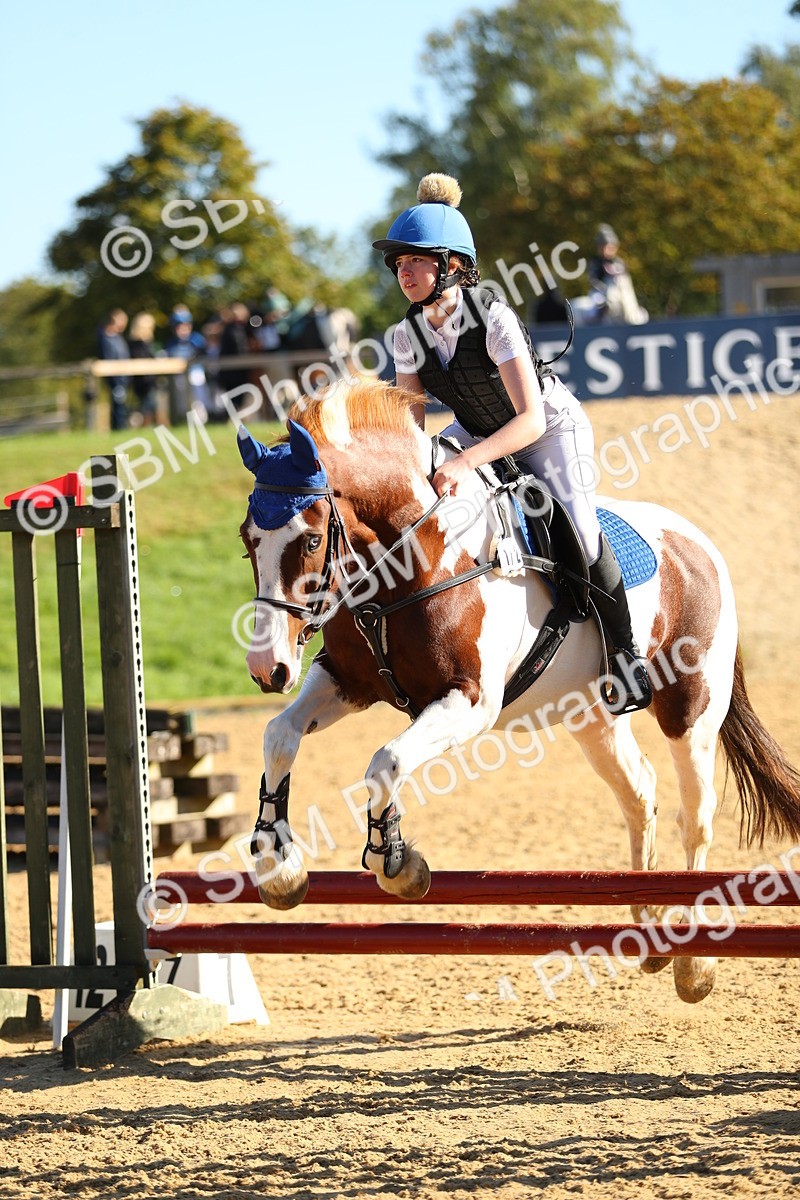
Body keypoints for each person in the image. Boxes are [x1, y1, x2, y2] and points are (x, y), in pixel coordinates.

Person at [373, 173, 651, 712]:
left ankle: (626, 655)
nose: (403, 272)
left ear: (452, 264)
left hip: (548, 429)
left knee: (582, 532)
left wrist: (465, 463)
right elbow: (412, 428)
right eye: (398, 263)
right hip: (476, 428)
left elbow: (529, 422)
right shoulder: (407, 335)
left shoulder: (493, 316)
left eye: (415, 261)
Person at [587, 225, 647, 325]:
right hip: (601, 292)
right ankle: (597, 324)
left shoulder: (620, 263)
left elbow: (626, 281)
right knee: (598, 304)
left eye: (611, 247)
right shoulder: (596, 263)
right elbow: (593, 280)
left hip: (619, 291)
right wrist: (605, 289)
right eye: (605, 247)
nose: (608, 250)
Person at [97, 308, 130, 431]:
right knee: (118, 406)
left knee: (121, 404)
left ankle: (121, 428)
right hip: (115, 377)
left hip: (123, 376)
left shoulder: (118, 338)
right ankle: (118, 428)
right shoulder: (106, 337)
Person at [127, 312, 159, 425]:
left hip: (148, 380)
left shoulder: (146, 343)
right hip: (142, 381)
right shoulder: (137, 345)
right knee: (146, 408)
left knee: (149, 406)